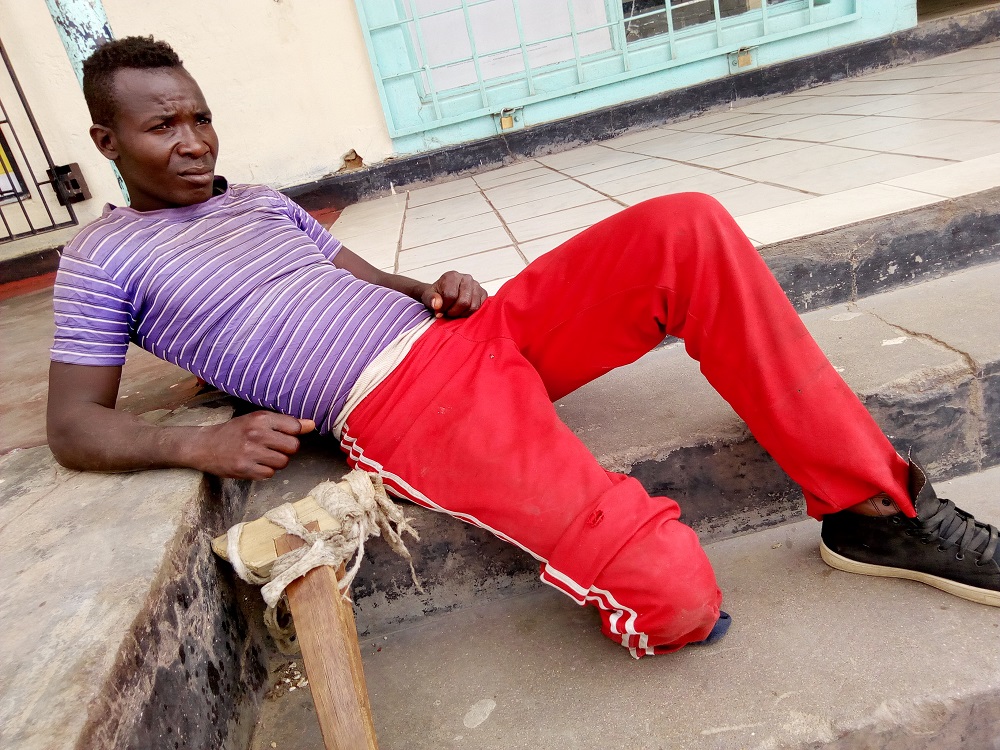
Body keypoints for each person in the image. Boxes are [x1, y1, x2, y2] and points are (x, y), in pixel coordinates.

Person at [47, 36, 999, 659]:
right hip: (407, 408)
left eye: (201, 115)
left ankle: (875, 507)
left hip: (471, 334)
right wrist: (198, 443)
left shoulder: (258, 203)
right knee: (675, 602)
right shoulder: (102, 259)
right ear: (106, 138)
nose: (194, 141)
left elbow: (357, 278)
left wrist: (430, 288)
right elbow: (74, 425)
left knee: (687, 226)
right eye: (162, 124)